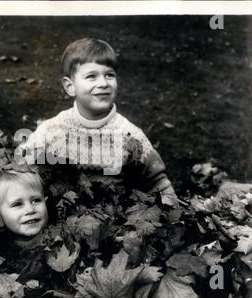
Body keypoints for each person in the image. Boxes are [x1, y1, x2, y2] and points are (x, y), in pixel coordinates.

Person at [19, 38, 177, 200]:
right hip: (63, 212)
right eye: (92, 76)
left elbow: (158, 183)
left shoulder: (130, 136)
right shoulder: (52, 130)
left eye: (109, 75)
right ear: (70, 86)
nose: (103, 83)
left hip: (116, 216)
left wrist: (172, 215)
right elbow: (23, 169)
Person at [0, 169, 48, 248]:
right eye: (17, 204)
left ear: (45, 202)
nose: (30, 210)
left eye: (36, 200)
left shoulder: (61, 236)